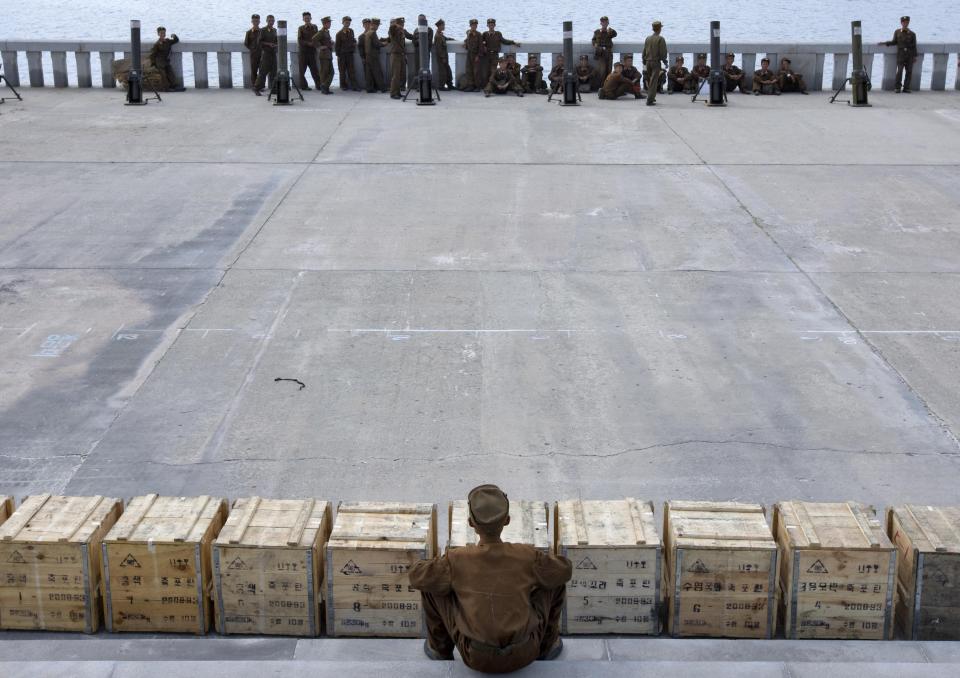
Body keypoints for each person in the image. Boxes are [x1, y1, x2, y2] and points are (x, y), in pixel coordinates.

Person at [410, 485, 571, 673]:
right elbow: (565, 570)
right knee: (553, 580)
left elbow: (416, 576)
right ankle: (547, 647)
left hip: (476, 657)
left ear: (471, 523)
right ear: (507, 521)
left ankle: (440, 650)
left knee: (432, 585)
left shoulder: (457, 558)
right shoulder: (526, 555)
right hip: (526, 651)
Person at [879, 15, 917, 93]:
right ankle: (897, 87)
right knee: (899, 71)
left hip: (909, 55)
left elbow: (914, 46)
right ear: (901, 23)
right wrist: (884, 43)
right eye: (904, 22)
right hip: (901, 55)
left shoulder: (912, 34)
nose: (905, 24)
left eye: (907, 22)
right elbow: (894, 42)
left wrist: (914, 56)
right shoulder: (897, 32)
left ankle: (906, 87)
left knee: (909, 71)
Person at [482, 19, 520, 90]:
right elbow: (479, 41)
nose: (491, 26)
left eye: (492, 24)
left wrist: (513, 42)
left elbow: (504, 41)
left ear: (494, 25)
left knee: (493, 71)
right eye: (489, 24)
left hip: (495, 55)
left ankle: (492, 87)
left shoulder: (498, 34)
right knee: (485, 71)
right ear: (487, 25)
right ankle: (486, 86)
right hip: (486, 55)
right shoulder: (484, 34)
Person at [642, 20, 668, 106]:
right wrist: (664, 61)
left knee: (650, 80)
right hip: (655, 63)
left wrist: (644, 60)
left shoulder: (648, 38)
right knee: (653, 82)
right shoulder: (660, 39)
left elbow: (644, 51)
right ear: (659, 29)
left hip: (648, 62)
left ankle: (652, 97)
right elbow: (663, 52)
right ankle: (650, 99)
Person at [150, 26, 183, 91]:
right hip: (159, 62)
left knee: (171, 73)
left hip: (166, 61)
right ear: (158, 34)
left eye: (164, 33)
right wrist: (153, 63)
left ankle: (174, 86)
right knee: (163, 76)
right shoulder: (157, 44)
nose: (163, 34)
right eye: (161, 33)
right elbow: (153, 54)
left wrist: (174, 36)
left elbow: (175, 40)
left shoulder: (167, 41)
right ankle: (167, 88)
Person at [387, 17, 411, 99]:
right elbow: (391, 29)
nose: (402, 25)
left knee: (400, 75)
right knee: (395, 75)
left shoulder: (402, 31)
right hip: (395, 55)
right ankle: (393, 93)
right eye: (401, 24)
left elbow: (408, 36)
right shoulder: (393, 30)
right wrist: (395, 25)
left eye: (403, 24)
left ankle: (398, 92)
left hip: (401, 55)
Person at [253, 15, 277, 95]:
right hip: (266, 54)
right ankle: (257, 88)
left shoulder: (275, 30)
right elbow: (259, 42)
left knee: (274, 72)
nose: (271, 22)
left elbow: (277, 41)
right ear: (267, 21)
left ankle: (274, 89)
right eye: (269, 20)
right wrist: (268, 44)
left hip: (273, 53)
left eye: (272, 20)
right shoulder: (263, 30)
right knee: (263, 72)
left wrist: (275, 45)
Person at [296, 12, 320, 90]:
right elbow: (300, 40)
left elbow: (318, 37)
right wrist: (308, 43)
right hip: (303, 52)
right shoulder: (301, 28)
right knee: (302, 70)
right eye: (305, 18)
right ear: (303, 19)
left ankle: (319, 85)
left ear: (311, 18)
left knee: (314, 70)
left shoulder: (315, 27)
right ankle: (304, 86)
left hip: (312, 52)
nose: (307, 19)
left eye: (308, 18)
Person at [335, 16, 360, 91]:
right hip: (342, 55)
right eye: (346, 22)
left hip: (350, 54)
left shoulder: (351, 31)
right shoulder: (339, 34)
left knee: (351, 71)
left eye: (349, 22)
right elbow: (337, 46)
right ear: (343, 23)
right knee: (342, 71)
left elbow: (353, 40)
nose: (347, 24)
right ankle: (343, 85)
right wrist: (339, 56)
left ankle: (354, 86)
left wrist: (354, 43)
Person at [363, 18, 386, 93]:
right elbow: (377, 44)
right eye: (378, 25)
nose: (378, 27)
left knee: (369, 74)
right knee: (377, 72)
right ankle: (383, 88)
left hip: (368, 56)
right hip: (373, 56)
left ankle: (369, 88)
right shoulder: (373, 33)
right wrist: (384, 44)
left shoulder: (368, 32)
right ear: (374, 25)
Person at [312, 16, 334, 94]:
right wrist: (320, 47)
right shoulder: (321, 32)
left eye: (330, 23)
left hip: (328, 54)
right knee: (324, 72)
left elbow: (326, 40)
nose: (330, 24)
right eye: (328, 23)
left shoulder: (326, 32)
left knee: (331, 72)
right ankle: (324, 87)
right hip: (324, 55)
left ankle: (325, 87)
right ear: (324, 24)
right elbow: (314, 39)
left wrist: (330, 42)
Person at [411, 14, 434, 88]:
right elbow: (414, 42)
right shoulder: (416, 30)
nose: (420, 21)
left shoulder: (429, 30)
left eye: (422, 20)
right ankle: (418, 85)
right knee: (417, 68)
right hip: (417, 52)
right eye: (419, 20)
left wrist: (419, 41)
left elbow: (428, 42)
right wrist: (419, 41)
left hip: (425, 53)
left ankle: (426, 85)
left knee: (425, 69)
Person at [592, 16, 617, 84]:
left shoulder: (610, 31)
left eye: (606, 22)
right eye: (603, 22)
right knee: (602, 71)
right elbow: (593, 40)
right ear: (601, 23)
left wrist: (610, 30)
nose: (604, 23)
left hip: (608, 52)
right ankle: (602, 85)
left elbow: (615, 34)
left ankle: (608, 84)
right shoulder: (597, 32)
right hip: (601, 53)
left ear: (608, 23)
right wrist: (595, 45)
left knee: (609, 70)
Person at [461, 19, 484, 91]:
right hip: (469, 54)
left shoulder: (479, 34)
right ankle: (471, 85)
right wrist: (465, 43)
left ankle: (477, 86)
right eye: (473, 25)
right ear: (470, 25)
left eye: (475, 25)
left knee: (476, 71)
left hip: (475, 54)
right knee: (469, 70)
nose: (474, 26)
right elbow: (467, 40)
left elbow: (481, 46)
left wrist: (478, 55)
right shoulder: (468, 33)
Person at [434, 20, 454, 90]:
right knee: (443, 72)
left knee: (448, 71)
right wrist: (443, 57)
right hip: (442, 57)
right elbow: (439, 49)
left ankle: (450, 85)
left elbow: (445, 38)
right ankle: (441, 86)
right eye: (443, 25)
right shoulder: (438, 36)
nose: (444, 26)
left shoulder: (440, 35)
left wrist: (451, 39)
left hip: (444, 56)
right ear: (439, 26)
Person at [243, 14, 262, 89]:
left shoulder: (262, 31)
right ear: (252, 22)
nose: (255, 22)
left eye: (257, 21)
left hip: (262, 54)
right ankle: (254, 86)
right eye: (254, 21)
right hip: (253, 55)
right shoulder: (249, 32)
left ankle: (260, 86)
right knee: (254, 71)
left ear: (259, 22)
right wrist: (252, 49)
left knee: (261, 71)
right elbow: (246, 43)